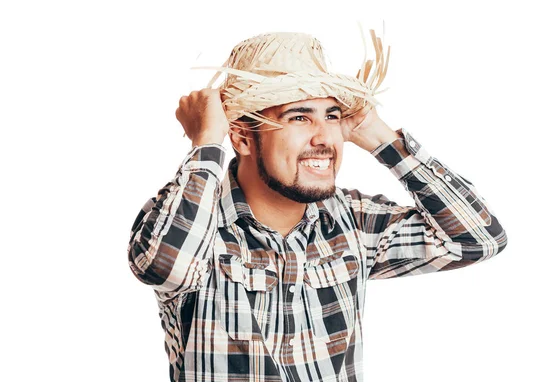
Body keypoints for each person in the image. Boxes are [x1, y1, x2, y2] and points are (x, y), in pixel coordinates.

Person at [127, 30, 508, 382]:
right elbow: (161, 267)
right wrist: (207, 143)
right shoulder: (194, 218)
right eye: (299, 117)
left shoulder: (353, 221)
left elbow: (478, 239)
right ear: (242, 138)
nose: (325, 137)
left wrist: (380, 138)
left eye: (332, 116)